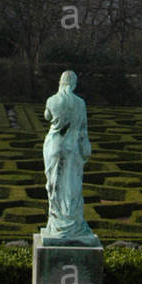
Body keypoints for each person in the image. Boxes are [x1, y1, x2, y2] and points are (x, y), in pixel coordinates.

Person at [40, 70, 100, 246]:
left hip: (54, 144)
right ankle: (71, 223)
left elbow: (47, 117)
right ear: (73, 83)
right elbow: (83, 130)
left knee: (54, 185)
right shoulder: (80, 103)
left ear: (60, 82)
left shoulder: (52, 100)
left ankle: (57, 223)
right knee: (72, 185)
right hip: (72, 147)